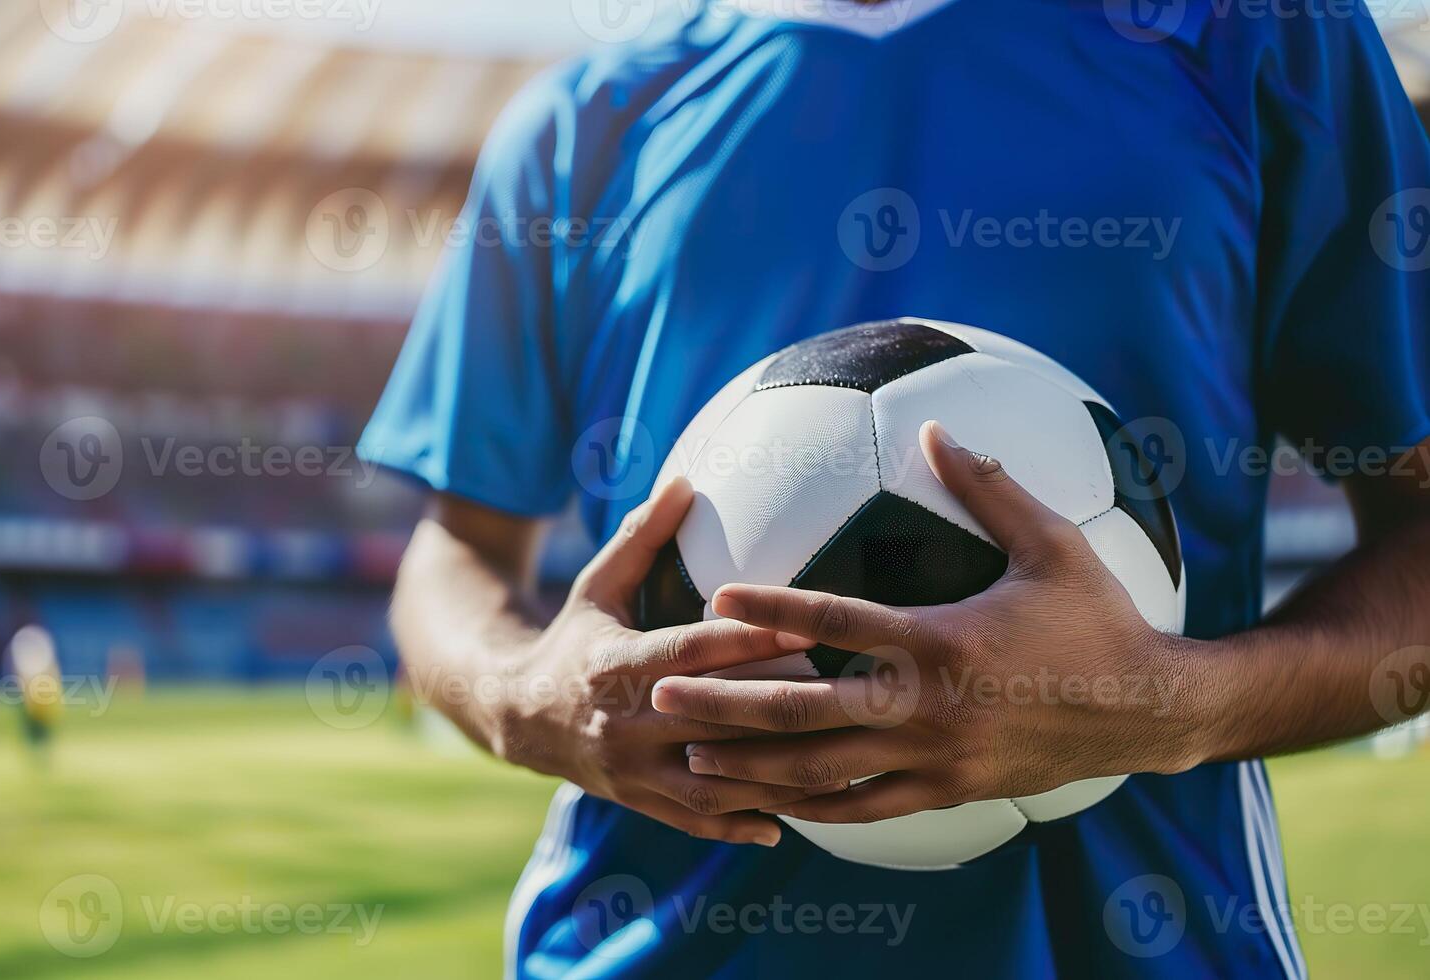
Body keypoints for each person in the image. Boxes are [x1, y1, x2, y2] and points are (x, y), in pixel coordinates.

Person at [357, 3, 1430, 976]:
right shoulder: (582, 120)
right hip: (646, 945)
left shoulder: (1262, 35)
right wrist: (524, 696)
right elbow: (457, 550)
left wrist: (1176, 706)